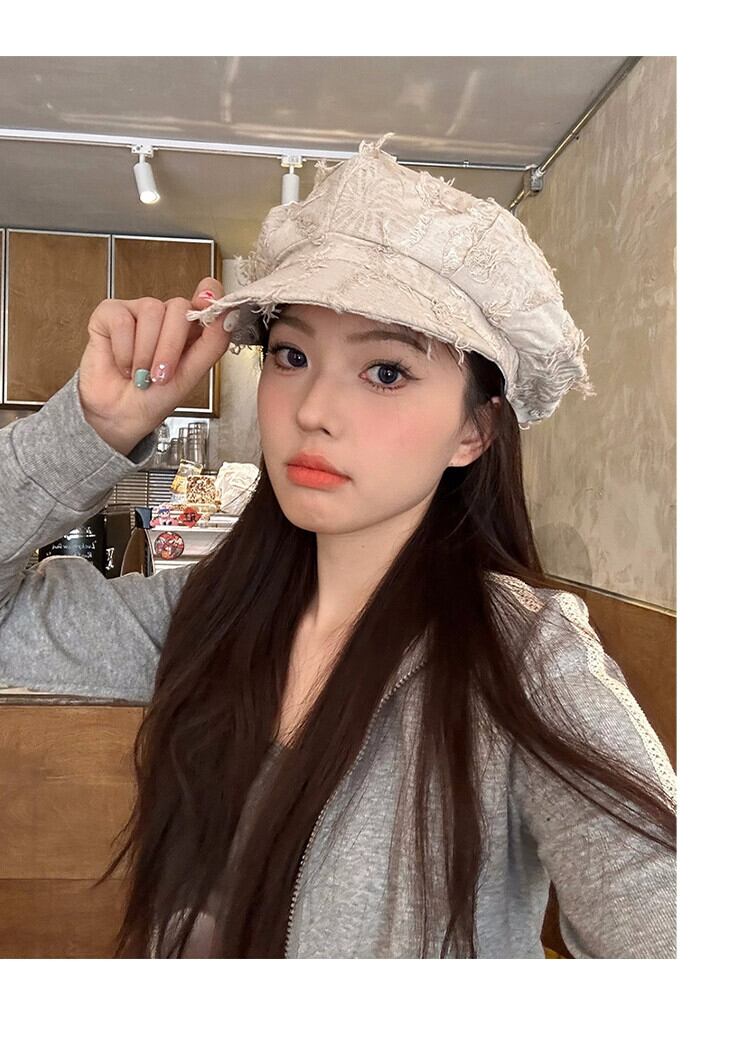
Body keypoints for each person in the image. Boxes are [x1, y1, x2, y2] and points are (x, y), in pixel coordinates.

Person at [0, 133, 676, 959]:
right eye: (292, 355)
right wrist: (92, 429)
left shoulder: (524, 655)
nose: (312, 409)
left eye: (386, 371)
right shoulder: (206, 613)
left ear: (473, 430)